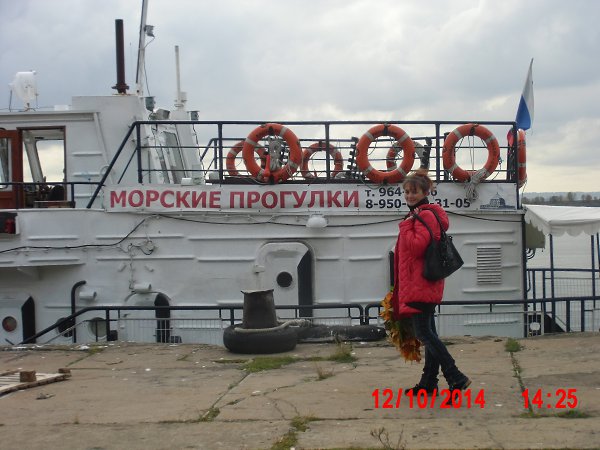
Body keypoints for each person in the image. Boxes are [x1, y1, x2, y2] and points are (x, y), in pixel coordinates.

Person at [391, 171, 471, 393]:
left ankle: (455, 375)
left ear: (425, 192)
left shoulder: (424, 216)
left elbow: (417, 248)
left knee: (424, 334)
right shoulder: (421, 214)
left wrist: (405, 226)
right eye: (406, 191)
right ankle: (429, 382)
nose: (409, 195)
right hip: (421, 284)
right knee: (429, 333)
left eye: (414, 192)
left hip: (420, 285)